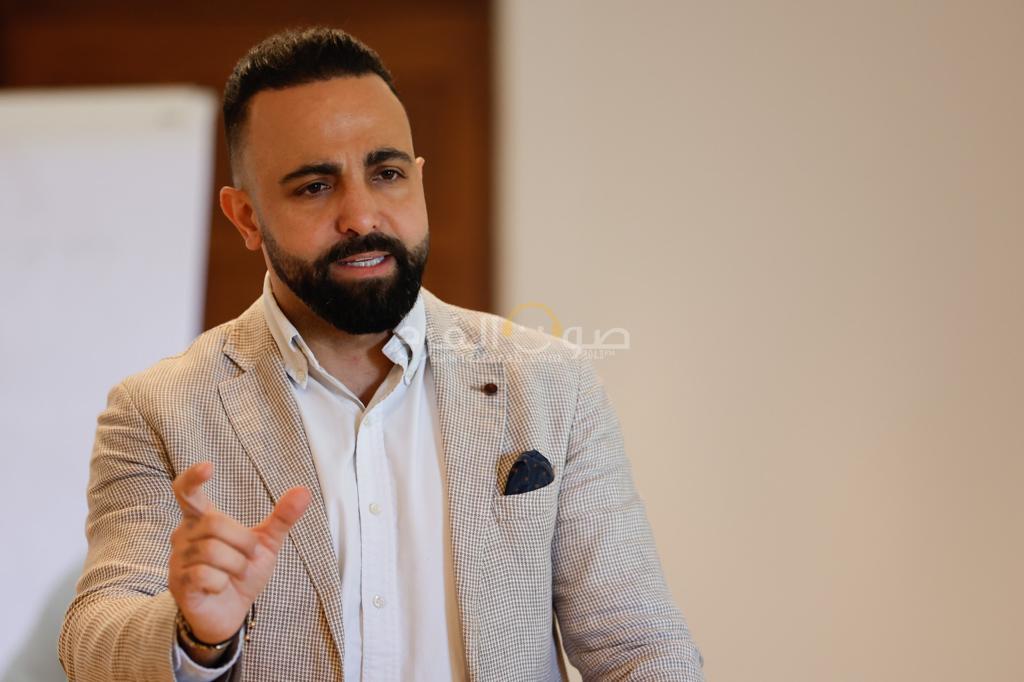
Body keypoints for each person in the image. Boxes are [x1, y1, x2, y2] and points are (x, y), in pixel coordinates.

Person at [58, 27, 704, 682]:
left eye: (387, 174)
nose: (362, 216)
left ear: (418, 179)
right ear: (246, 218)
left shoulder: (550, 384)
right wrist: (194, 635)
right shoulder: (157, 410)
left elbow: (639, 648)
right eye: (315, 186)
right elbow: (91, 641)